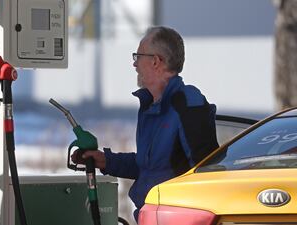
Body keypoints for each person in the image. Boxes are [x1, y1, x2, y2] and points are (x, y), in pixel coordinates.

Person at [71, 26, 219, 222]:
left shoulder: (187, 103)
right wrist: (105, 161)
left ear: (156, 61)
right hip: (150, 215)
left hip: (176, 216)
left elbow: (206, 171)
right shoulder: (152, 106)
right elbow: (150, 167)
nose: (134, 64)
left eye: (138, 56)